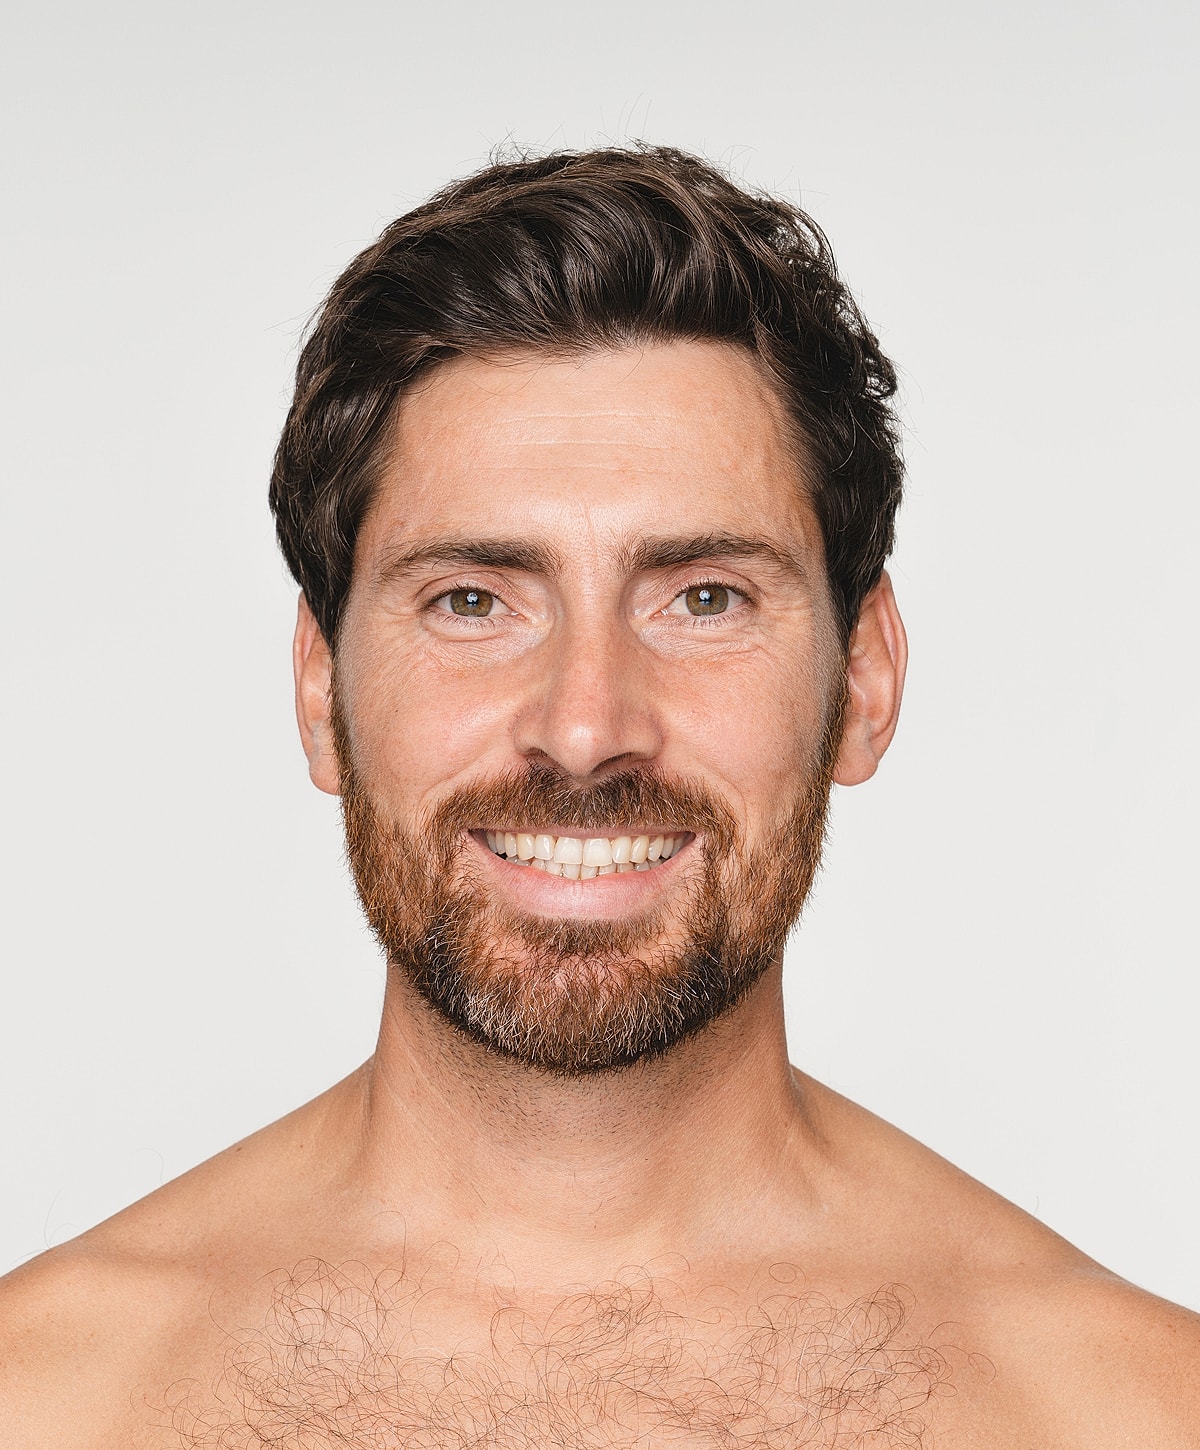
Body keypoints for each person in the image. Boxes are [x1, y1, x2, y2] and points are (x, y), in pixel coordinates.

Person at [2, 145, 1197, 1449]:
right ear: (320, 689)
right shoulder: (45, 1397)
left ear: (864, 677)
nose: (585, 729)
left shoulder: (1133, 1410)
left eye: (703, 598)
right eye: (472, 601)